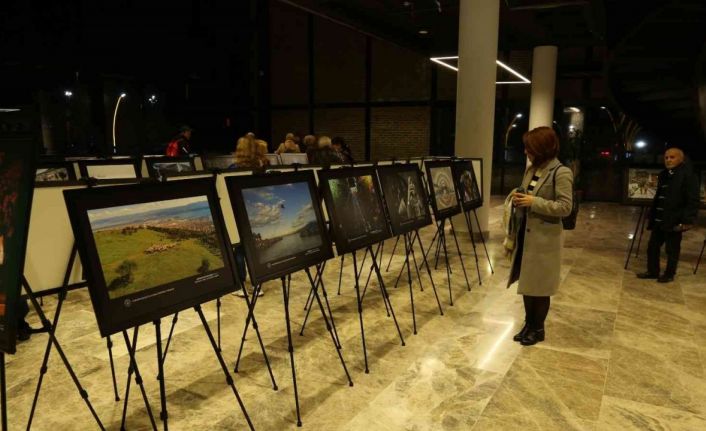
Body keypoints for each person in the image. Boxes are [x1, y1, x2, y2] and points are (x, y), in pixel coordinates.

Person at [507, 127, 573, 346]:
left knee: (541, 288)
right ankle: (528, 324)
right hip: (526, 235)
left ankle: (538, 328)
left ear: (543, 148)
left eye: (529, 147)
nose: (526, 151)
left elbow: (565, 207)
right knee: (528, 284)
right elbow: (527, 195)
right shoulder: (531, 169)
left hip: (545, 239)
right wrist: (519, 198)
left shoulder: (561, 172)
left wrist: (533, 202)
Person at [637, 147, 699, 283]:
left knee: (672, 249)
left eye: (672, 157)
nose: (668, 160)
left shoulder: (688, 176)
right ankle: (653, 271)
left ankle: (669, 274)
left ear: (681, 159)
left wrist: (687, 220)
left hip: (674, 220)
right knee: (652, 247)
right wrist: (652, 214)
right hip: (660, 219)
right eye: (666, 157)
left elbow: (693, 200)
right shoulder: (664, 174)